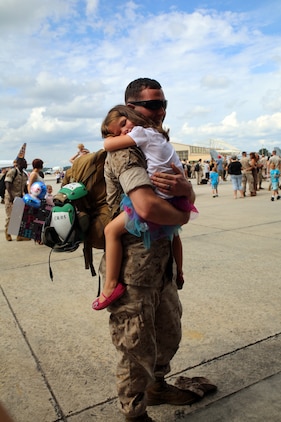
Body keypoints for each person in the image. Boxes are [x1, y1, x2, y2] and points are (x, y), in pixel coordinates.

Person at [99, 78, 213, 422]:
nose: (160, 111)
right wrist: (184, 214)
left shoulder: (157, 145)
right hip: (132, 273)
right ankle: (134, 413)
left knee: (168, 333)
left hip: (160, 266)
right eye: (152, 105)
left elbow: (183, 192)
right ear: (131, 108)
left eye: (163, 104)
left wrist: (186, 190)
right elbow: (147, 207)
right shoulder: (126, 151)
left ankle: (157, 386)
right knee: (135, 349)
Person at [93, 106, 198, 310]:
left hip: (160, 198)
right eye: (119, 130)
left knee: (111, 231)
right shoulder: (159, 136)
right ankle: (180, 272)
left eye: (124, 124)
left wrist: (109, 138)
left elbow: (108, 145)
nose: (124, 131)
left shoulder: (140, 133)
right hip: (175, 197)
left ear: (133, 115)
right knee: (174, 235)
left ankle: (110, 286)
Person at [4, 157, 29, 241]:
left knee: (18, 217)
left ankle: (19, 236)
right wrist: (11, 197)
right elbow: (7, 184)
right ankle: (8, 233)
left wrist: (28, 196)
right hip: (11, 197)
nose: (26, 164)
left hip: (19, 198)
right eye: (24, 162)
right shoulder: (12, 172)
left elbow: (24, 187)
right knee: (11, 216)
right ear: (19, 163)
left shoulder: (24, 175)